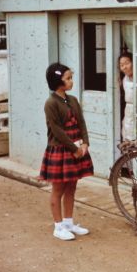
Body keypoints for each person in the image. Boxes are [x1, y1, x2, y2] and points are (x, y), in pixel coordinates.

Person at [39, 63, 94, 241]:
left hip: (77, 147)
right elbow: (57, 131)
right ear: (58, 81)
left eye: (71, 77)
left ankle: (69, 223)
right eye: (68, 78)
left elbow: (82, 123)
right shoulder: (51, 103)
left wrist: (85, 143)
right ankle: (58, 226)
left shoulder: (73, 100)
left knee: (72, 186)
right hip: (61, 150)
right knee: (58, 189)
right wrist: (74, 148)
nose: (71, 81)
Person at [118, 52, 134, 141]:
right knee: (128, 135)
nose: (124, 67)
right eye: (121, 65)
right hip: (129, 111)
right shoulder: (125, 79)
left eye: (127, 63)